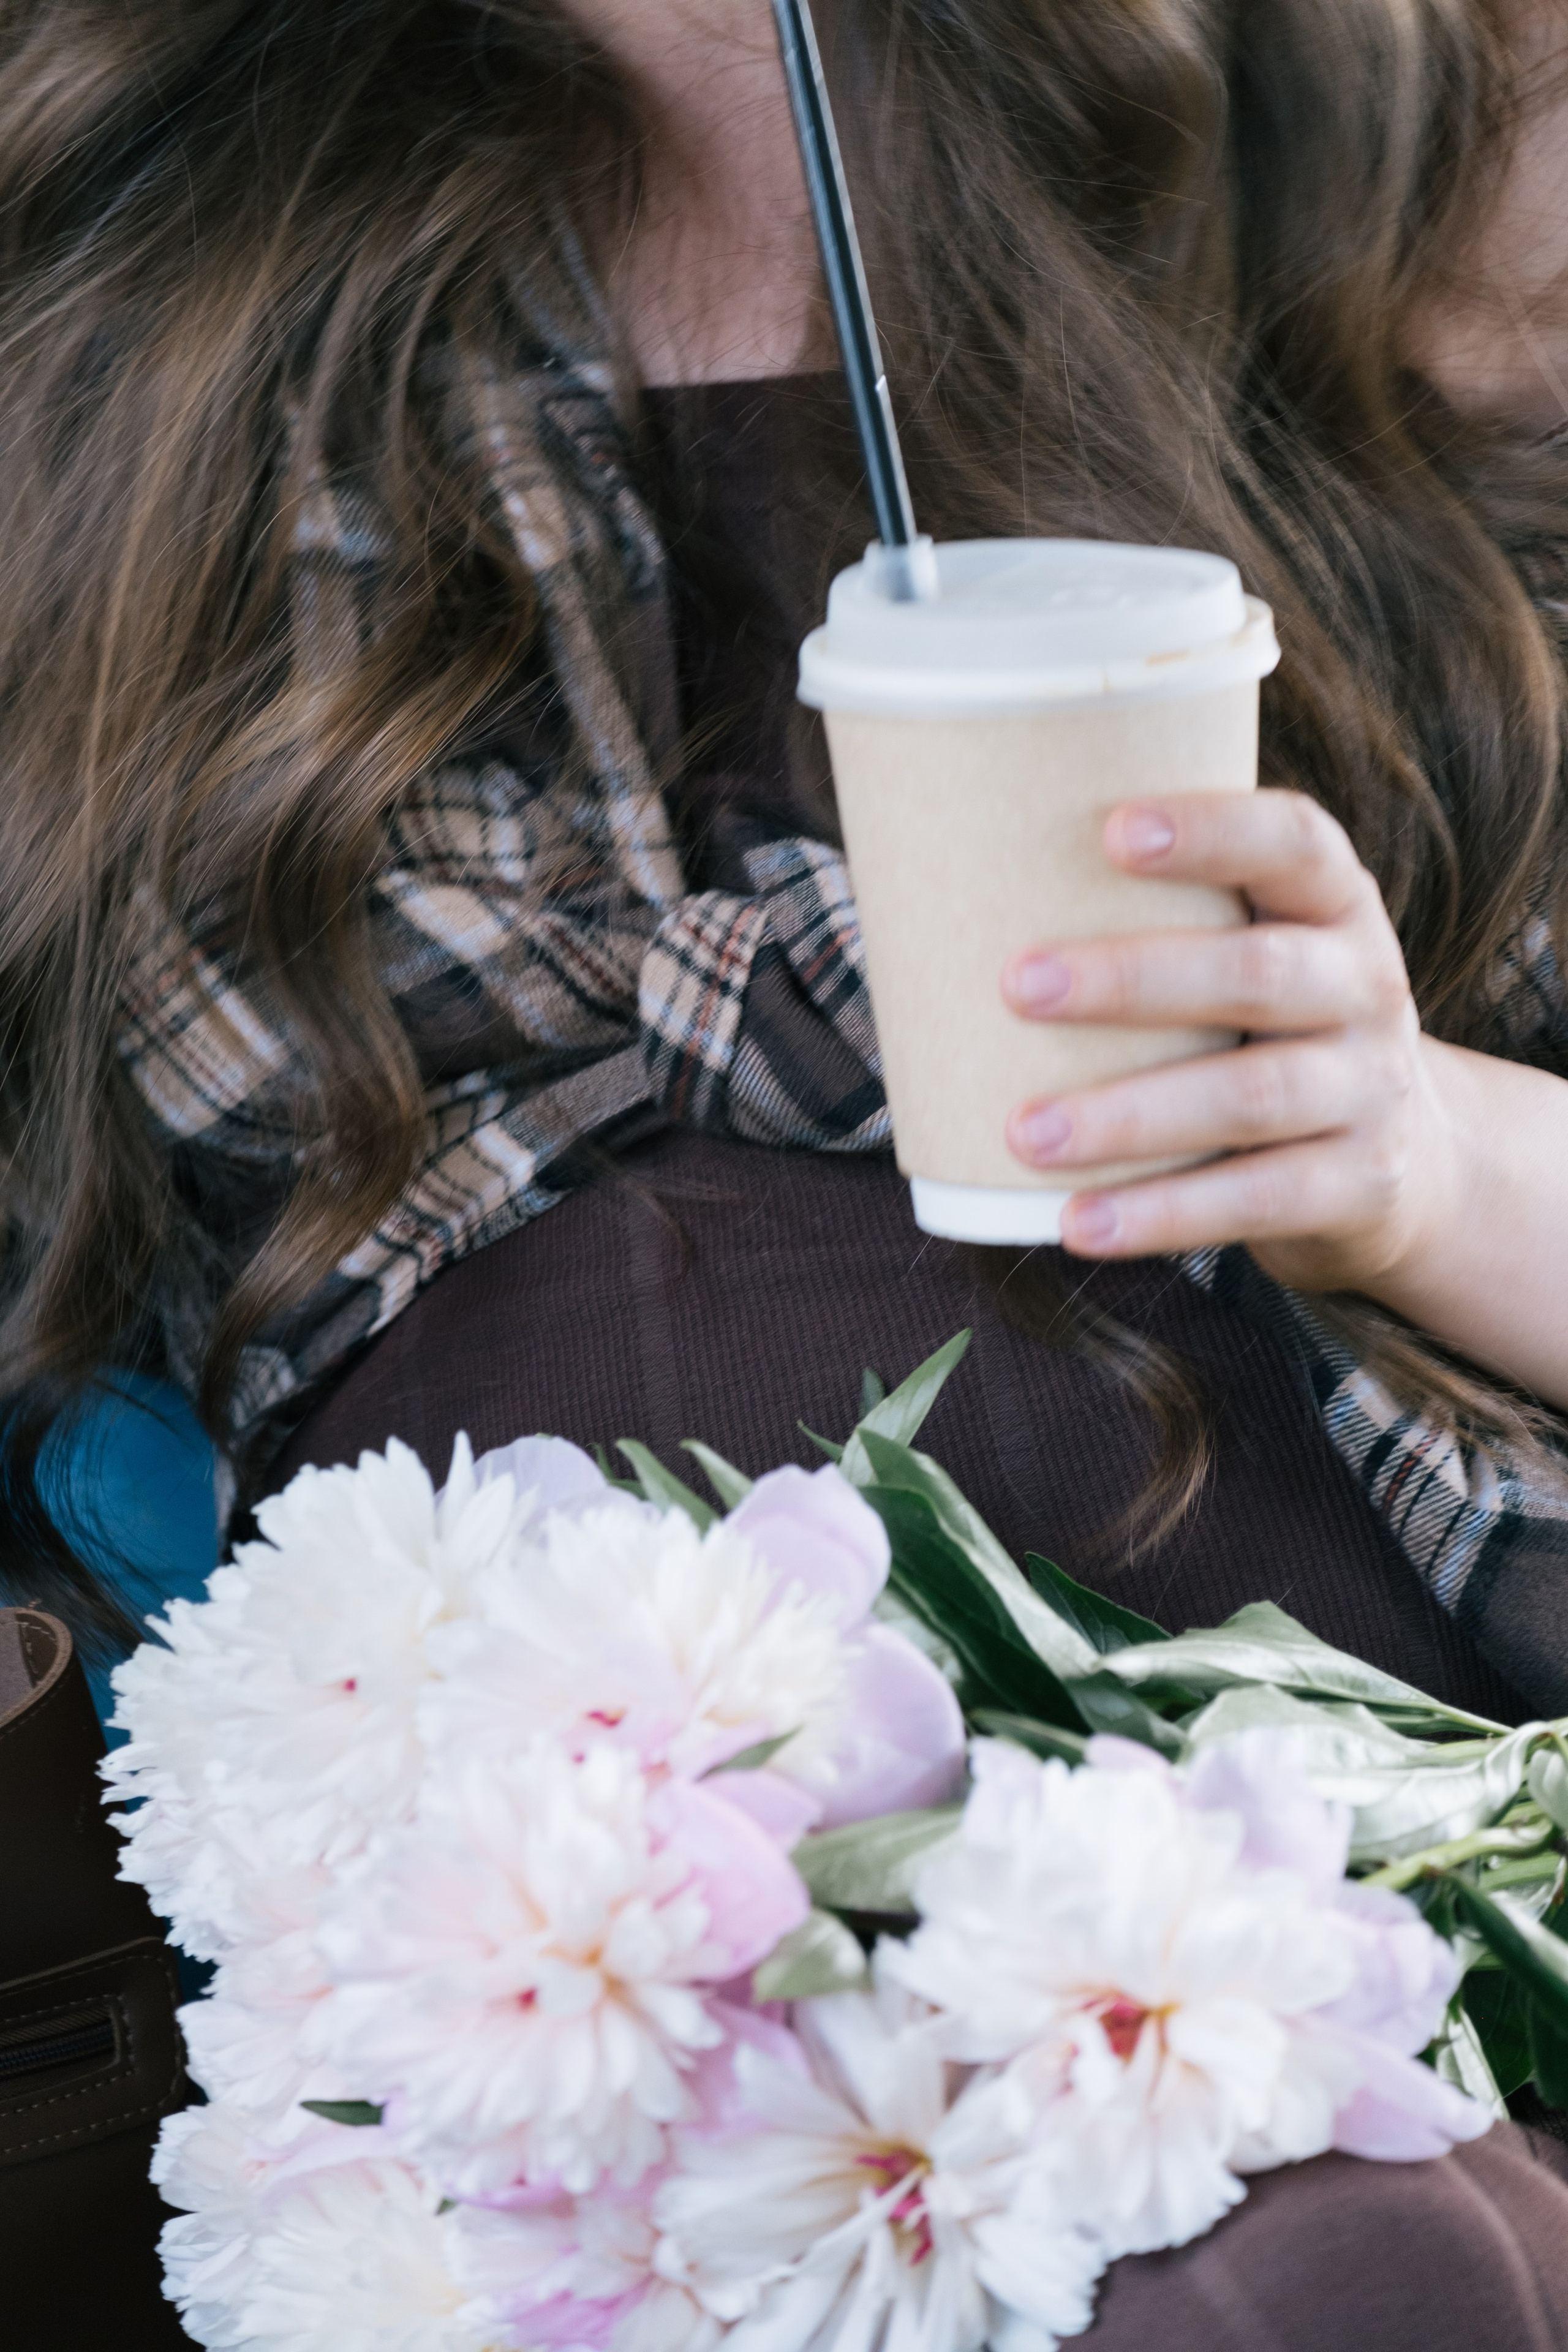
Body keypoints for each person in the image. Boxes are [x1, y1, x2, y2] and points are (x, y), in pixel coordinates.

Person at [3, 0, 1568, 2342]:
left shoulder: (1394, 126)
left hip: (1369, 1721)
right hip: (592, 1887)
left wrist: (1409, 1134)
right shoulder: (122, 212)